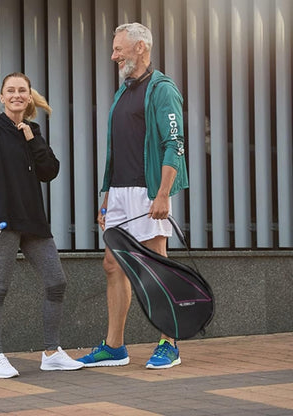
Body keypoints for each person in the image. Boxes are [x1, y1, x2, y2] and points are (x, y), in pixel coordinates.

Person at [77, 23, 189, 369]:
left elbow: (176, 144)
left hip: (148, 192)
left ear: (140, 48)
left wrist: (163, 194)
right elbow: (115, 149)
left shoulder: (162, 89)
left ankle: (169, 343)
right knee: (113, 265)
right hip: (120, 193)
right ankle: (114, 347)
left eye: (118, 49)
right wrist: (106, 193)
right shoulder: (122, 91)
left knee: (156, 266)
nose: (113, 56)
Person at [0, 72, 84, 378]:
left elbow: (49, 171)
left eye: (22, 90)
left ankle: (51, 352)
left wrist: (33, 139)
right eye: (11, 90)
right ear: (2, 97)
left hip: (33, 220)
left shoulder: (32, 131)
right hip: (2, 221)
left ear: (29, 97)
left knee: (56, 282)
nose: (16, 95)